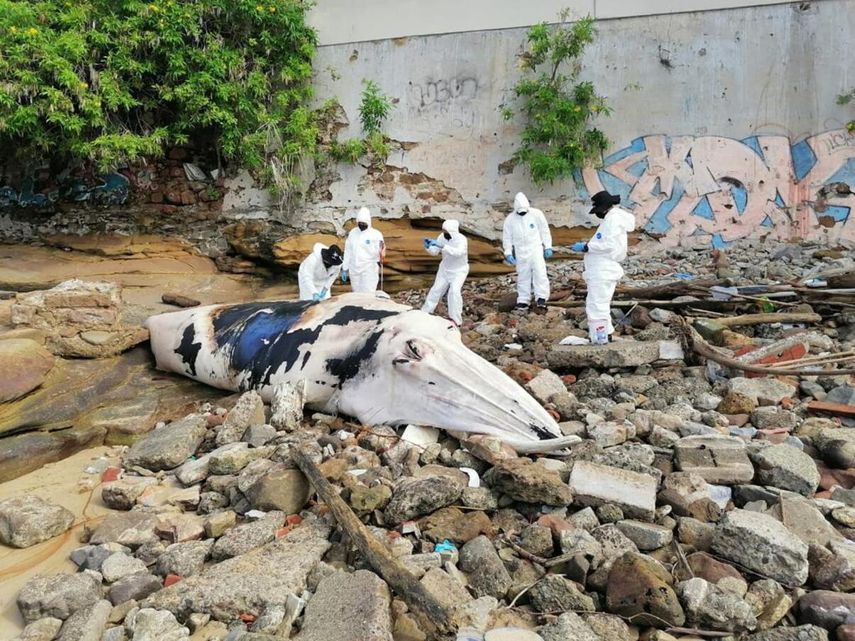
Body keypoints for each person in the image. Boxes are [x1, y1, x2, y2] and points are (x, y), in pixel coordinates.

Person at [571, 190, 636, 344]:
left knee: (596, 305)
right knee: (600, 303)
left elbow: (608, 245)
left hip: (602, 269)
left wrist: (587, 247)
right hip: (603, 269)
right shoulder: (613, 219)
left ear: (604, 208)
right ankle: (605, 334)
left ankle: (599, 338)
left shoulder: (612, 220)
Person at [502, 192, 553, 311]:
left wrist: (548, 246)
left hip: (535, 248)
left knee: (540, 272)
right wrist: (508, 252)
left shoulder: (537, 214)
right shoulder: (510, 219)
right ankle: (523, 300)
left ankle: (541, 297)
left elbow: (544, 230)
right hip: (520, 251)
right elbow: (507, 237)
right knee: (523, 275)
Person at [421, 219, 469, 326]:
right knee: (436, 290)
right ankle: (425, 312)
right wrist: (428, 246)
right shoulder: (442, 237)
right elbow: (435, 252)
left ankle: (456, 320)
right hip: (444, 269)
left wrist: (443, 246)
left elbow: (459, 253)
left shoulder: (461, 239)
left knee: (454, 292)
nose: (444, 233)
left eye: (446, 231)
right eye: (443, 230)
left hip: (459, 270)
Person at [341, 206, 385, 293]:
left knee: (368, 293)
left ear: (368, 222)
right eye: (360, 223)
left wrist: (381, 254)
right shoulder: (353, 233)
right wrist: (344, 268)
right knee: (356, 293)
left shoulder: (376, 234)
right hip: (354, 268)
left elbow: (381, 250)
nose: (361, 225)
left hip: (369, 268)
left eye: (364, 223)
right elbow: (348, 251)